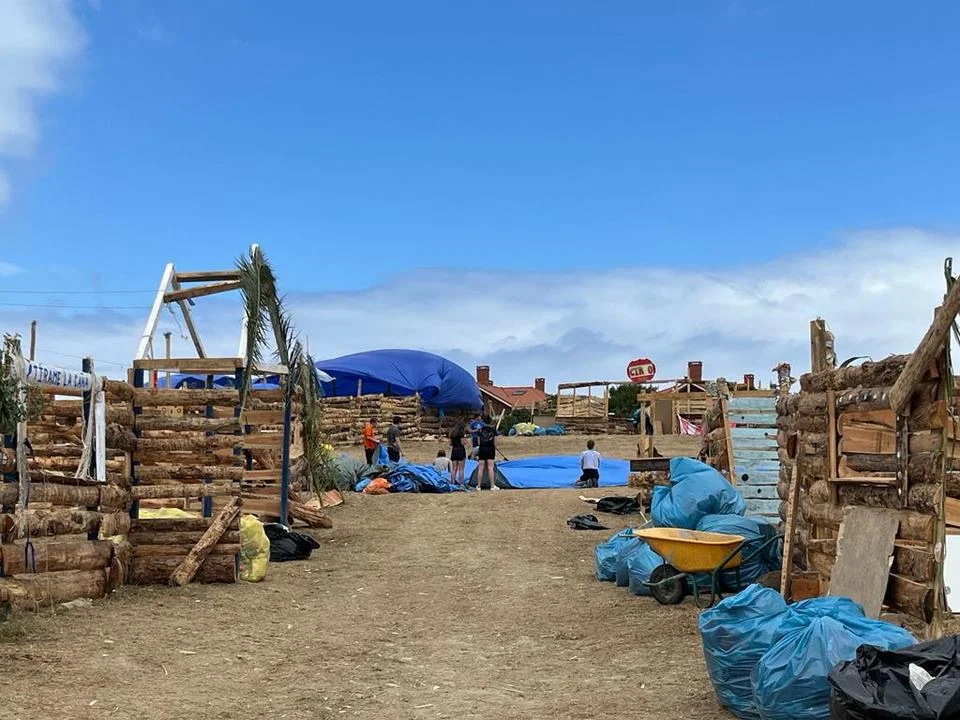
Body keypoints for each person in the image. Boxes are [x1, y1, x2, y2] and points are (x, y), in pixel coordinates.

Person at [476, 414, 499, 491]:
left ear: (483, 421)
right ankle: (492, 486)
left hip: (482, 449)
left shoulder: (480, 430)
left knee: (480, 467)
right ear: (490, 421)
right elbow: (495, 443)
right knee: (490, 468)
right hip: (490, 449)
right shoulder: (493, 430)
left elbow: (478, 442)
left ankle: (478, 486)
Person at [449, 421, 467, 486]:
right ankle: (461, 483)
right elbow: (463, 443)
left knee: (454, 468)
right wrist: (466, 440)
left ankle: (452, 482)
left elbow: (450, 443)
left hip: (454, 450)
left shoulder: (452, 433)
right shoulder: (462, 433)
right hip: (460, 450)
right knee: (461, 469)